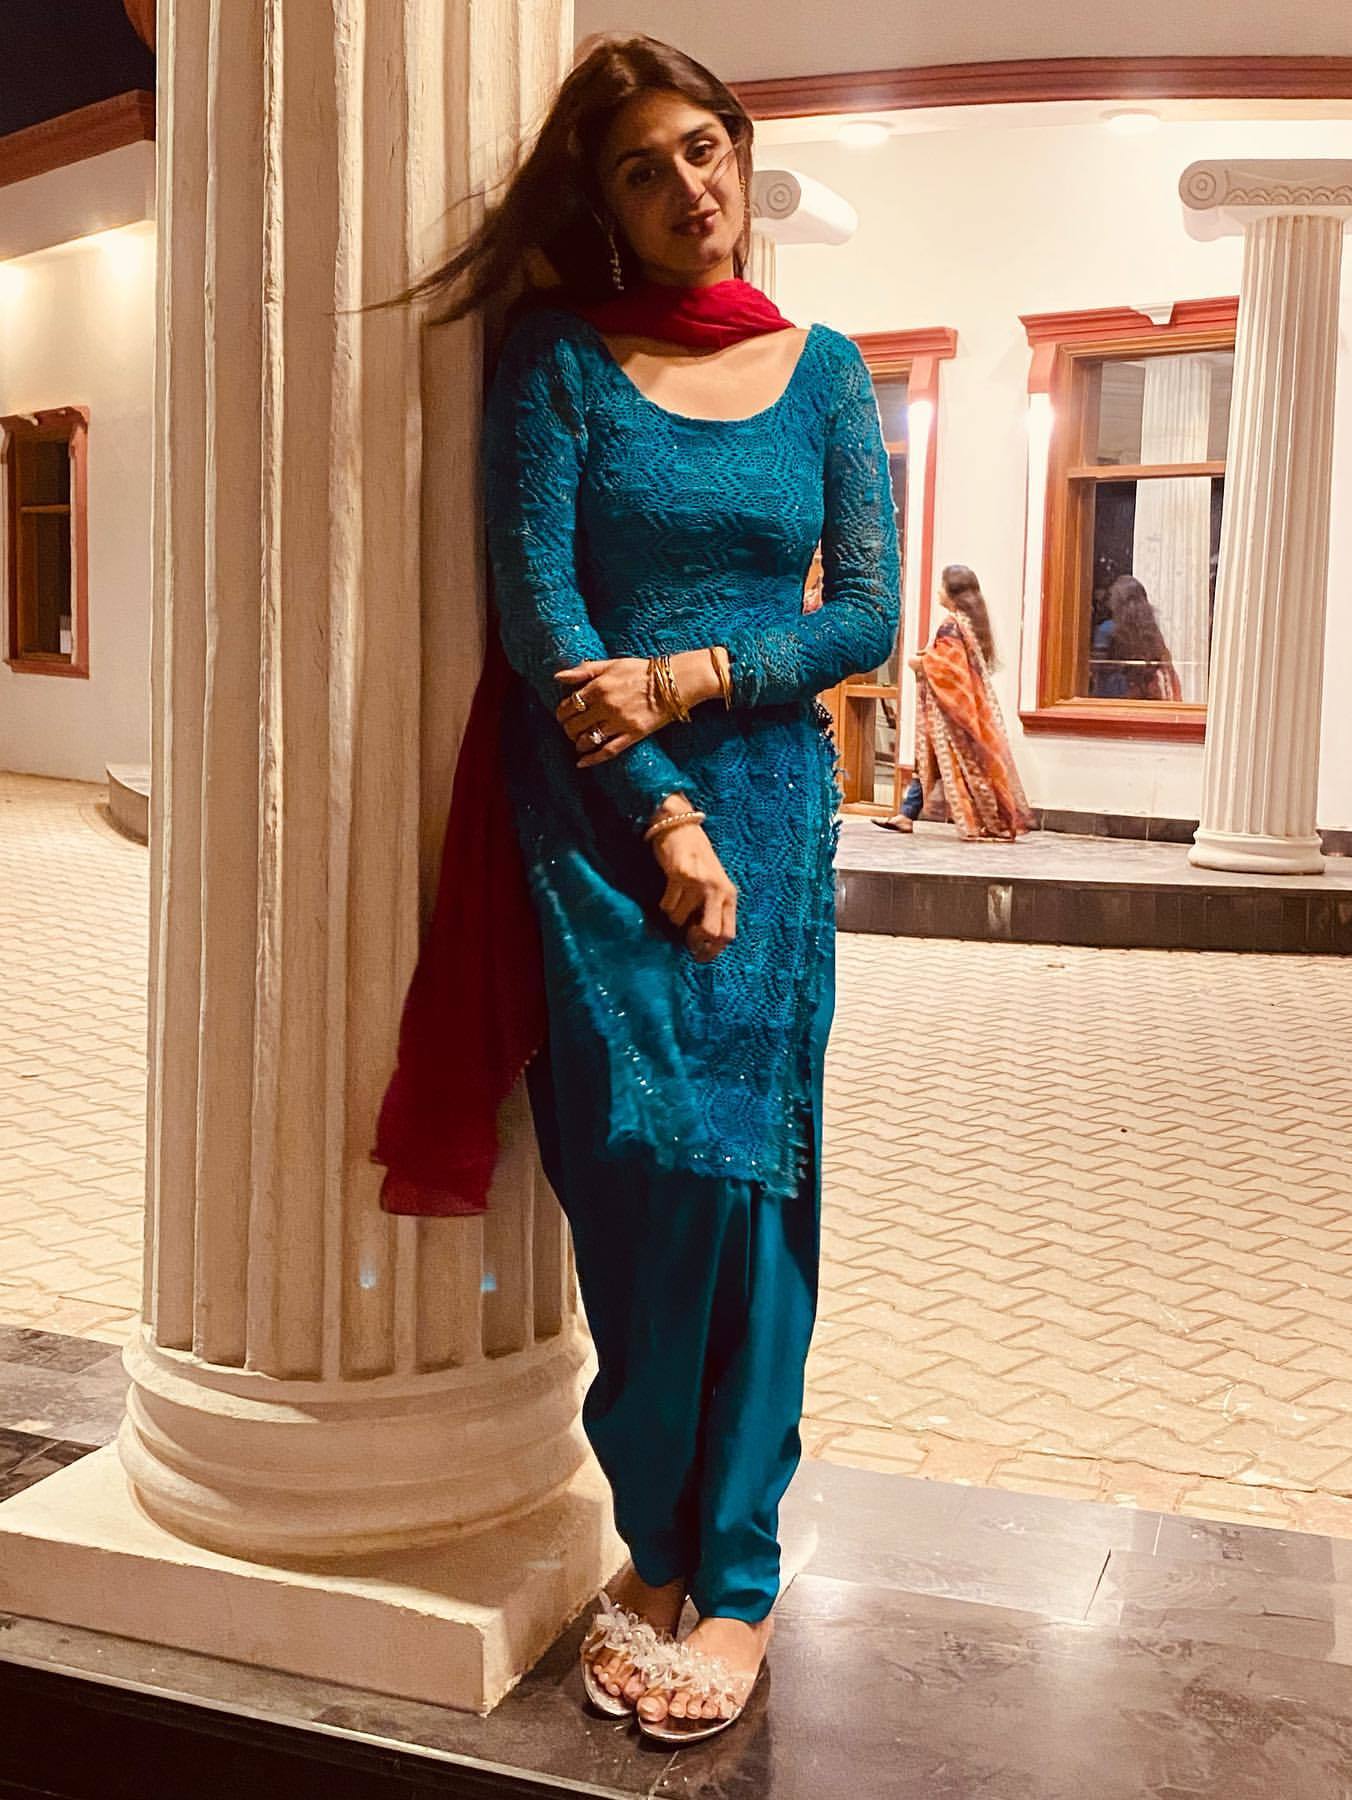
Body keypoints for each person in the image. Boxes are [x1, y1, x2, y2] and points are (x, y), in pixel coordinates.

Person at [369, 35, 900, 1745]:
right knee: (631, 1182)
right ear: (602, 204)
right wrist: (661, 812)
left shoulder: (825, 373)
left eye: (704, 150)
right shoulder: (559, 360)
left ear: (740, 151)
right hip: (599, 816)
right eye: (643, 169)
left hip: (773, 812)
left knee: (750, 1188)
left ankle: (729, 1573)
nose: (689, 188)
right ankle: (652, 1543)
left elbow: (862, 615)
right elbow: (543, 614)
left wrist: (693, 681)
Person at [873, 564, 1030, 839]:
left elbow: (949, 669)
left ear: (952, 593)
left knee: (968, 766)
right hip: (961, 707)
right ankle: (906, 815)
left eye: (941, 586)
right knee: (928, 763)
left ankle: (998, 820)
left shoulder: (951, 625)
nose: (937, 591)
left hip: (951, 712)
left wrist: (918, 662)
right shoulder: (971, 624)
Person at [1099, 574, 1182, 701]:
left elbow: (1099, 671)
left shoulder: (1107, 630)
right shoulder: (1153, 635)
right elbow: (1169, 674)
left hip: (1116, 700)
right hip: (1149, 700)